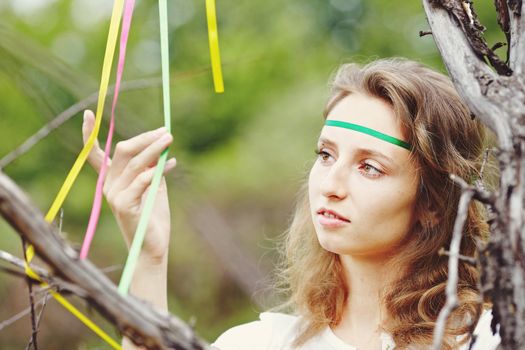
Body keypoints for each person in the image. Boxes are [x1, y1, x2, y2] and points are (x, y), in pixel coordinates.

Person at [82, 58, 501, 349]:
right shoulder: (259, 344)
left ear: (434, 201)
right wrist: (149, 257)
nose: (330, 185)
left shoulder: (490, 339)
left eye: (369, 167)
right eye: (326, 154)